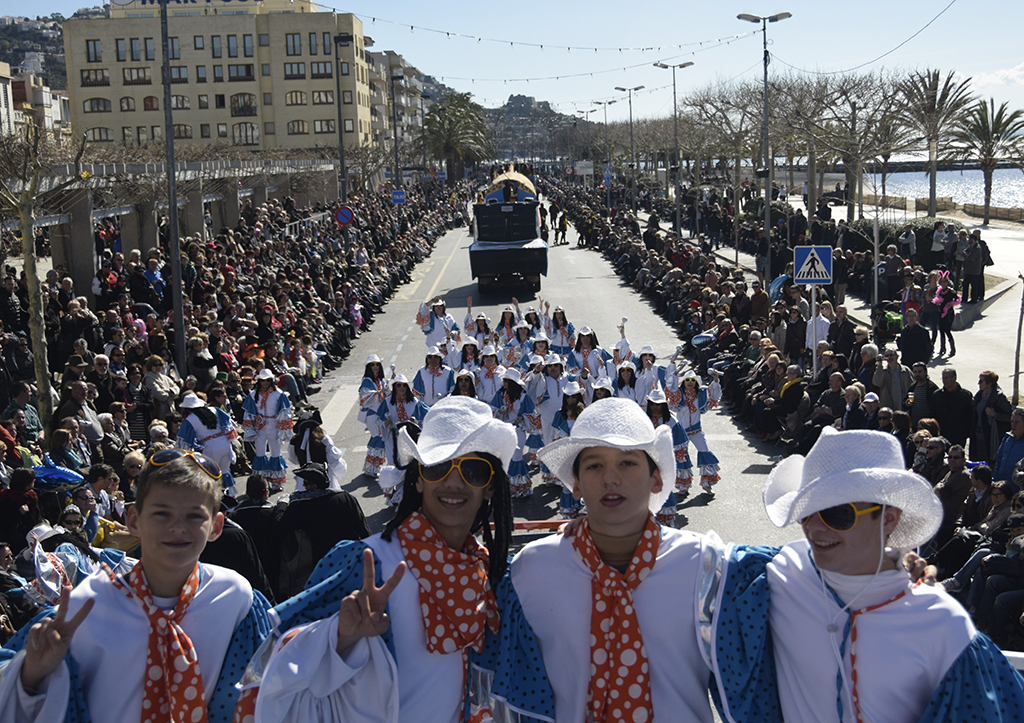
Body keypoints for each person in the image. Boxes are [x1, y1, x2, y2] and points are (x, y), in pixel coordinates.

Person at [233, 397, 538, 723]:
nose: (453, 482)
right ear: (418, 479)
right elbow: (272, 674)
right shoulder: (364, 563)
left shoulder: (495, 578)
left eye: (473, 471)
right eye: (436, 466)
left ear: (489, 487)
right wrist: (340, 637)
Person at [708, 427, 1024, 723]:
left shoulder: (944, 628)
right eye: (806, 512)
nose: (814, 528)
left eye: (838, 514)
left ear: (889, 519)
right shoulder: (770, 574)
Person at [0, 449, 273, 723]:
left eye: (194, 516)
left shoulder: (237, 602)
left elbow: (266, 695)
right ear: (132, 520)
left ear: (216, 526)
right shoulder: (85, 609)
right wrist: (31, 674)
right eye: (161, 513)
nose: (177, 527)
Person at [505, 398, 714, 722]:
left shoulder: (707, 566)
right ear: (575, 484)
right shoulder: (530, 571)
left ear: (656, 479)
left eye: (628, 463)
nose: (610, 478)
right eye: (594, 465)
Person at [177, 392, 239, 497]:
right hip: (225, 442)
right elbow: (229, 423)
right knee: (225, 472)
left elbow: (183, 441)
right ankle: (230, 499)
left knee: (212, 475)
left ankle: (217, 500)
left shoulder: (190, 419)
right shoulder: (214, 410)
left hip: (211, 446)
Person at [242, 368, 294, 490]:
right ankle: (261, 482)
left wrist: (282, 428)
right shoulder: (253, 395)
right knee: (259, 454)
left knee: (275, 454)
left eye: (268, 380)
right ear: (259, 381)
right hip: (259, 428)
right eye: (263, 380)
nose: (265, 383)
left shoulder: (279, 394)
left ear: (271, 381)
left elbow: (285, 412)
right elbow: (249, 412)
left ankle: (276, 482)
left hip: (274, 426)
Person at [972, 370, 1013, 464]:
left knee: (989, 463)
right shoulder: (979, 395)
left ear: (989, 384)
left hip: (990, 437)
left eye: (981, 381)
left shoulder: (999, 398)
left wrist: (995, 415)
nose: (979, 383)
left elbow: (1010, 416)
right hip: (977, 436)